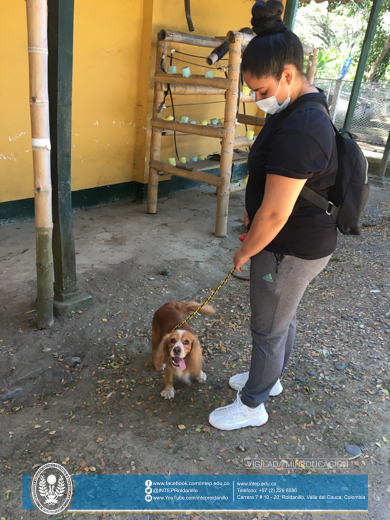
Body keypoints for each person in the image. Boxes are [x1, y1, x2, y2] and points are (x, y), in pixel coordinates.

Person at [209, 0, 338, 430]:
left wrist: (245, 251)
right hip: (300, 243)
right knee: (283, 317)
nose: (259, 100)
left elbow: (278, 212)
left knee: (267, 325)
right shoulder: (298, 107)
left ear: (288, 75)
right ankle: (271, 379)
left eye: (262, 91)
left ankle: (252, 404)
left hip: (290, 248)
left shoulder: (303, 128)